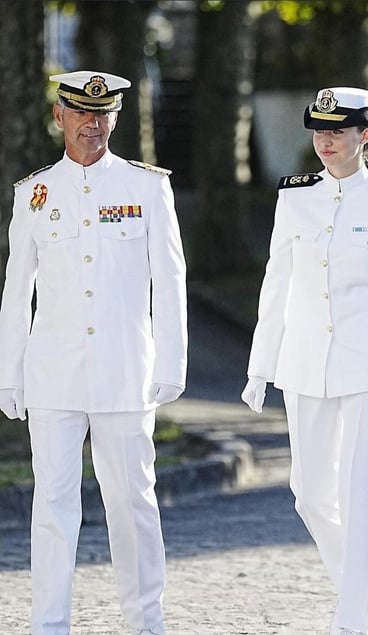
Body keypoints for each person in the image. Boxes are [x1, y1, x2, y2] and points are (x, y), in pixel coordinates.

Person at [241, 87, 368, 635]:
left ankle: (352, 617)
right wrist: (260, 365)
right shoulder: (294, 198)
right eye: (319, 130)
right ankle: (357, 586)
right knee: (307, 495)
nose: (326, 140)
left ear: (367, 135)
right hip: (305, 361)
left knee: (360, 485)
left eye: (339, 130)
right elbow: (275, 283)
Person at [0, 71, 188, 635]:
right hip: (53, 371)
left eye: (103, 113)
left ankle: (145, 621)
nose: (93, 123)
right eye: (82, 113)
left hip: (125, 370)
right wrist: (9, 373)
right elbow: (17, 291)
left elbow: (170, 280)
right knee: (53, 504)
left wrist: (172, 362)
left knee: (132, 502)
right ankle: (49, 625)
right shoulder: (34, 193)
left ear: (117, 117)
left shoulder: (146, 187)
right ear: (59, 117)